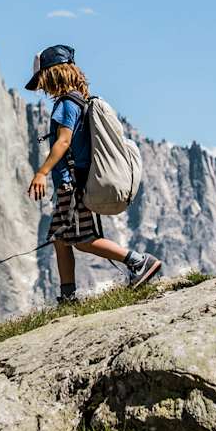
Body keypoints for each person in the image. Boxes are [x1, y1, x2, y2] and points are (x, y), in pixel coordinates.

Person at [23, 44, 162, 301]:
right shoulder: (79, 100)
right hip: (77, 182)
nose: (41, 87)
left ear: (54, 74)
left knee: (82, 240)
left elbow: (63, 142)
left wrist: (41, 173)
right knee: (61, 239)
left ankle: (138, 261)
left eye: (42, 80)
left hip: (71, 184)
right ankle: (68, 297)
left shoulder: (66, 104)